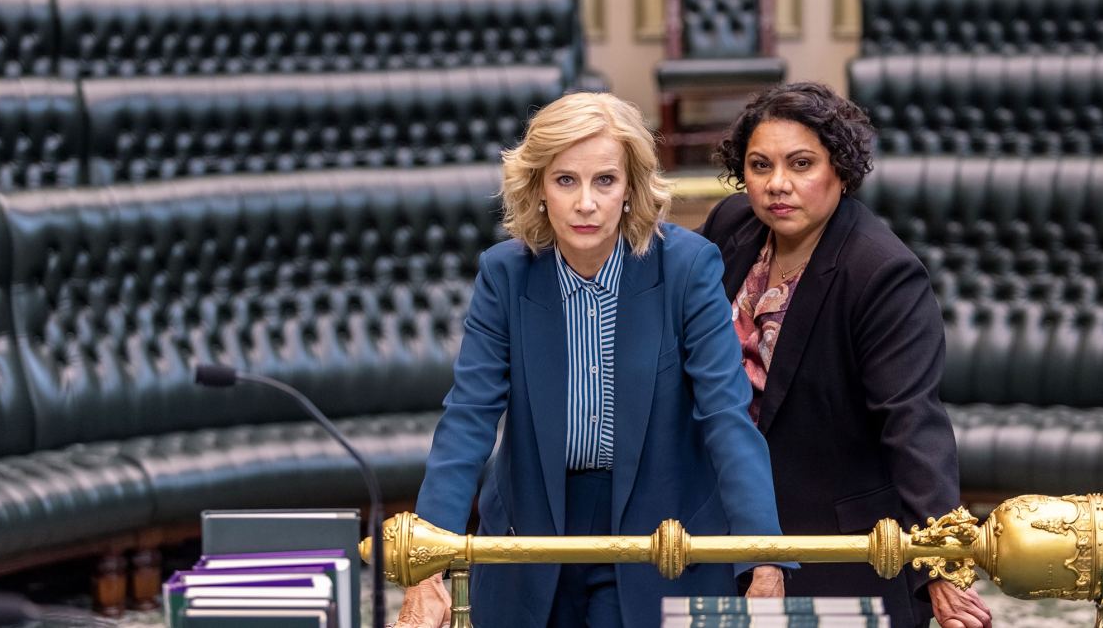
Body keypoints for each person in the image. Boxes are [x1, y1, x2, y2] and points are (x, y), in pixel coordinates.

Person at [395, 92, 786, 628]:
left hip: (661, 527)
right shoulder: (504, 275)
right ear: (538, 189)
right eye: (565, 181)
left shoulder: (688, 268)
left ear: (630, 188)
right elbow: (468, 419)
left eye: (605, 180)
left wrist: (764, 559)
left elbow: (726, 419)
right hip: (532, 531)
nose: (586, 203)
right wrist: (426, 565)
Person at [700, 83, 993, 628]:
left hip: (836, 538)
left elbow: (912, 421)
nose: (777, 185)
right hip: (728, 515)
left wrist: (940, 561)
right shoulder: (731, 226)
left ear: (842, 169)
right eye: (759, 166)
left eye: (801, 164)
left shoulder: (881, 273)